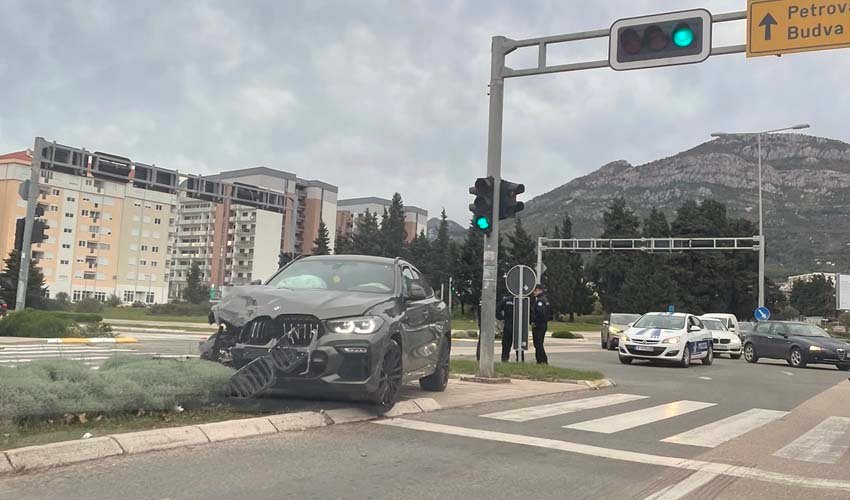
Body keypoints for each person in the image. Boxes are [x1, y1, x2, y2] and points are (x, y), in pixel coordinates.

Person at [530, 284, 550, 365]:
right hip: (543, 324)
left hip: (539, 325)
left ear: (540, 290)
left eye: (535, 290)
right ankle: (541, 360)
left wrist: (534, 322)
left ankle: (541, 360)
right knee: (539, 343)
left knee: (538, 344)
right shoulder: (545, 300)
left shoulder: (540, 301)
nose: (534, 292)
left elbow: (540, 313)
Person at [496, 295, 516, 362]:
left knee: (506, 344)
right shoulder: (523, 300)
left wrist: (501, 318)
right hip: (519, 326)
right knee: (519, 344)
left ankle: (504, 359)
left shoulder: (506, 300)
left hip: (508, 324)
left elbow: (497, 309)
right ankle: (520, 360)